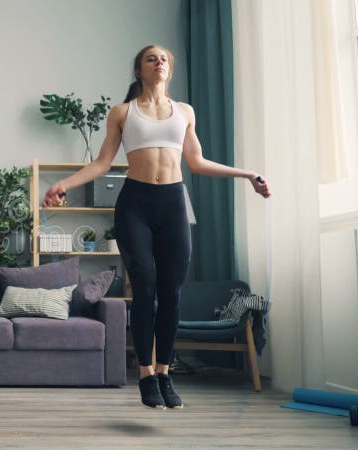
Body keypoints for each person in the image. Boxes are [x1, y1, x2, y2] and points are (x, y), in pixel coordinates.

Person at [43, 45, 270, 409]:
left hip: (173, 204)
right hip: (135, 204)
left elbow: (196, 162)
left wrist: (246, 174)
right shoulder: (123, 112)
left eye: (164, 58)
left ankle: (165, 372)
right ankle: (146, 373)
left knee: (172, 293)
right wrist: (63, 184)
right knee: (145, 287)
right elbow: (103, 163)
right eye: (151, 58)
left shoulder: (184, 112)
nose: (159, 62)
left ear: (170, 69)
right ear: (139, 70)